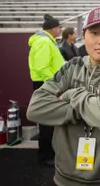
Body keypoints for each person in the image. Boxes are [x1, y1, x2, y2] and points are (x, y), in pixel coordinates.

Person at [27, 6, 100, 186]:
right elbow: (35, 108)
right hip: (65, 176)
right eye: (94, 33)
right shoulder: (72, 66)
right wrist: (88, 109)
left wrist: (72, 94)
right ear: (84, 35)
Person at [28, 14, 64, 166]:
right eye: (59, 27)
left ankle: (50, 153)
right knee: (46, 123)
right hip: (46, 85)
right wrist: (54, 84)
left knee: (51, 122)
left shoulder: (48, 41)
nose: (61, 29)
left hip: (49, 84)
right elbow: (42, 68)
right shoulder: (43, 42)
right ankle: (45, 156)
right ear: (53, 28)